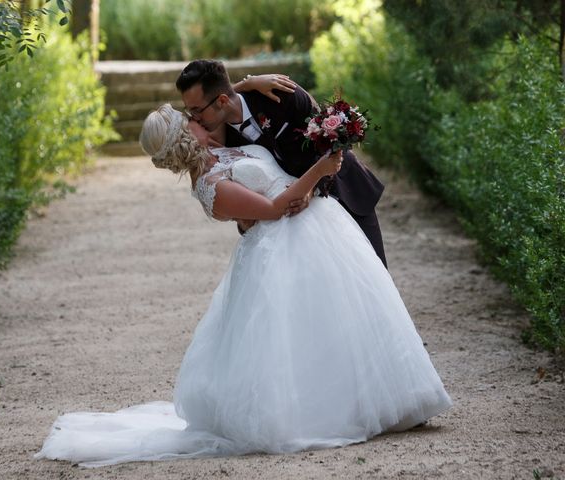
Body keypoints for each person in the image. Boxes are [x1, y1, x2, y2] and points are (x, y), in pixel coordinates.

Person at [34, 104, 452, 468]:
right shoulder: (210, 187)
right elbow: (272, 209)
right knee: (307, 335)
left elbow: (231, 101)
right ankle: (338, 411)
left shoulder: (223, 147)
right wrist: (319, 171)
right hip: (281, 250)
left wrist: (254, 84)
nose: (197, 119)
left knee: (343, 323)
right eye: (188, 120)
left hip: (319, 232)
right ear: (184, 136)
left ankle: (390, 402)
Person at [176, 60, 388, 267]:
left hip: (344, 189)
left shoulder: (280, 93)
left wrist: (310, 189)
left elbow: (330, 141)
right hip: (297, 223)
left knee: (373, 273)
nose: (194, 117)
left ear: (222, 101)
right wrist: (241, 218)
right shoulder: (220, 139)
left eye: (196, 110)